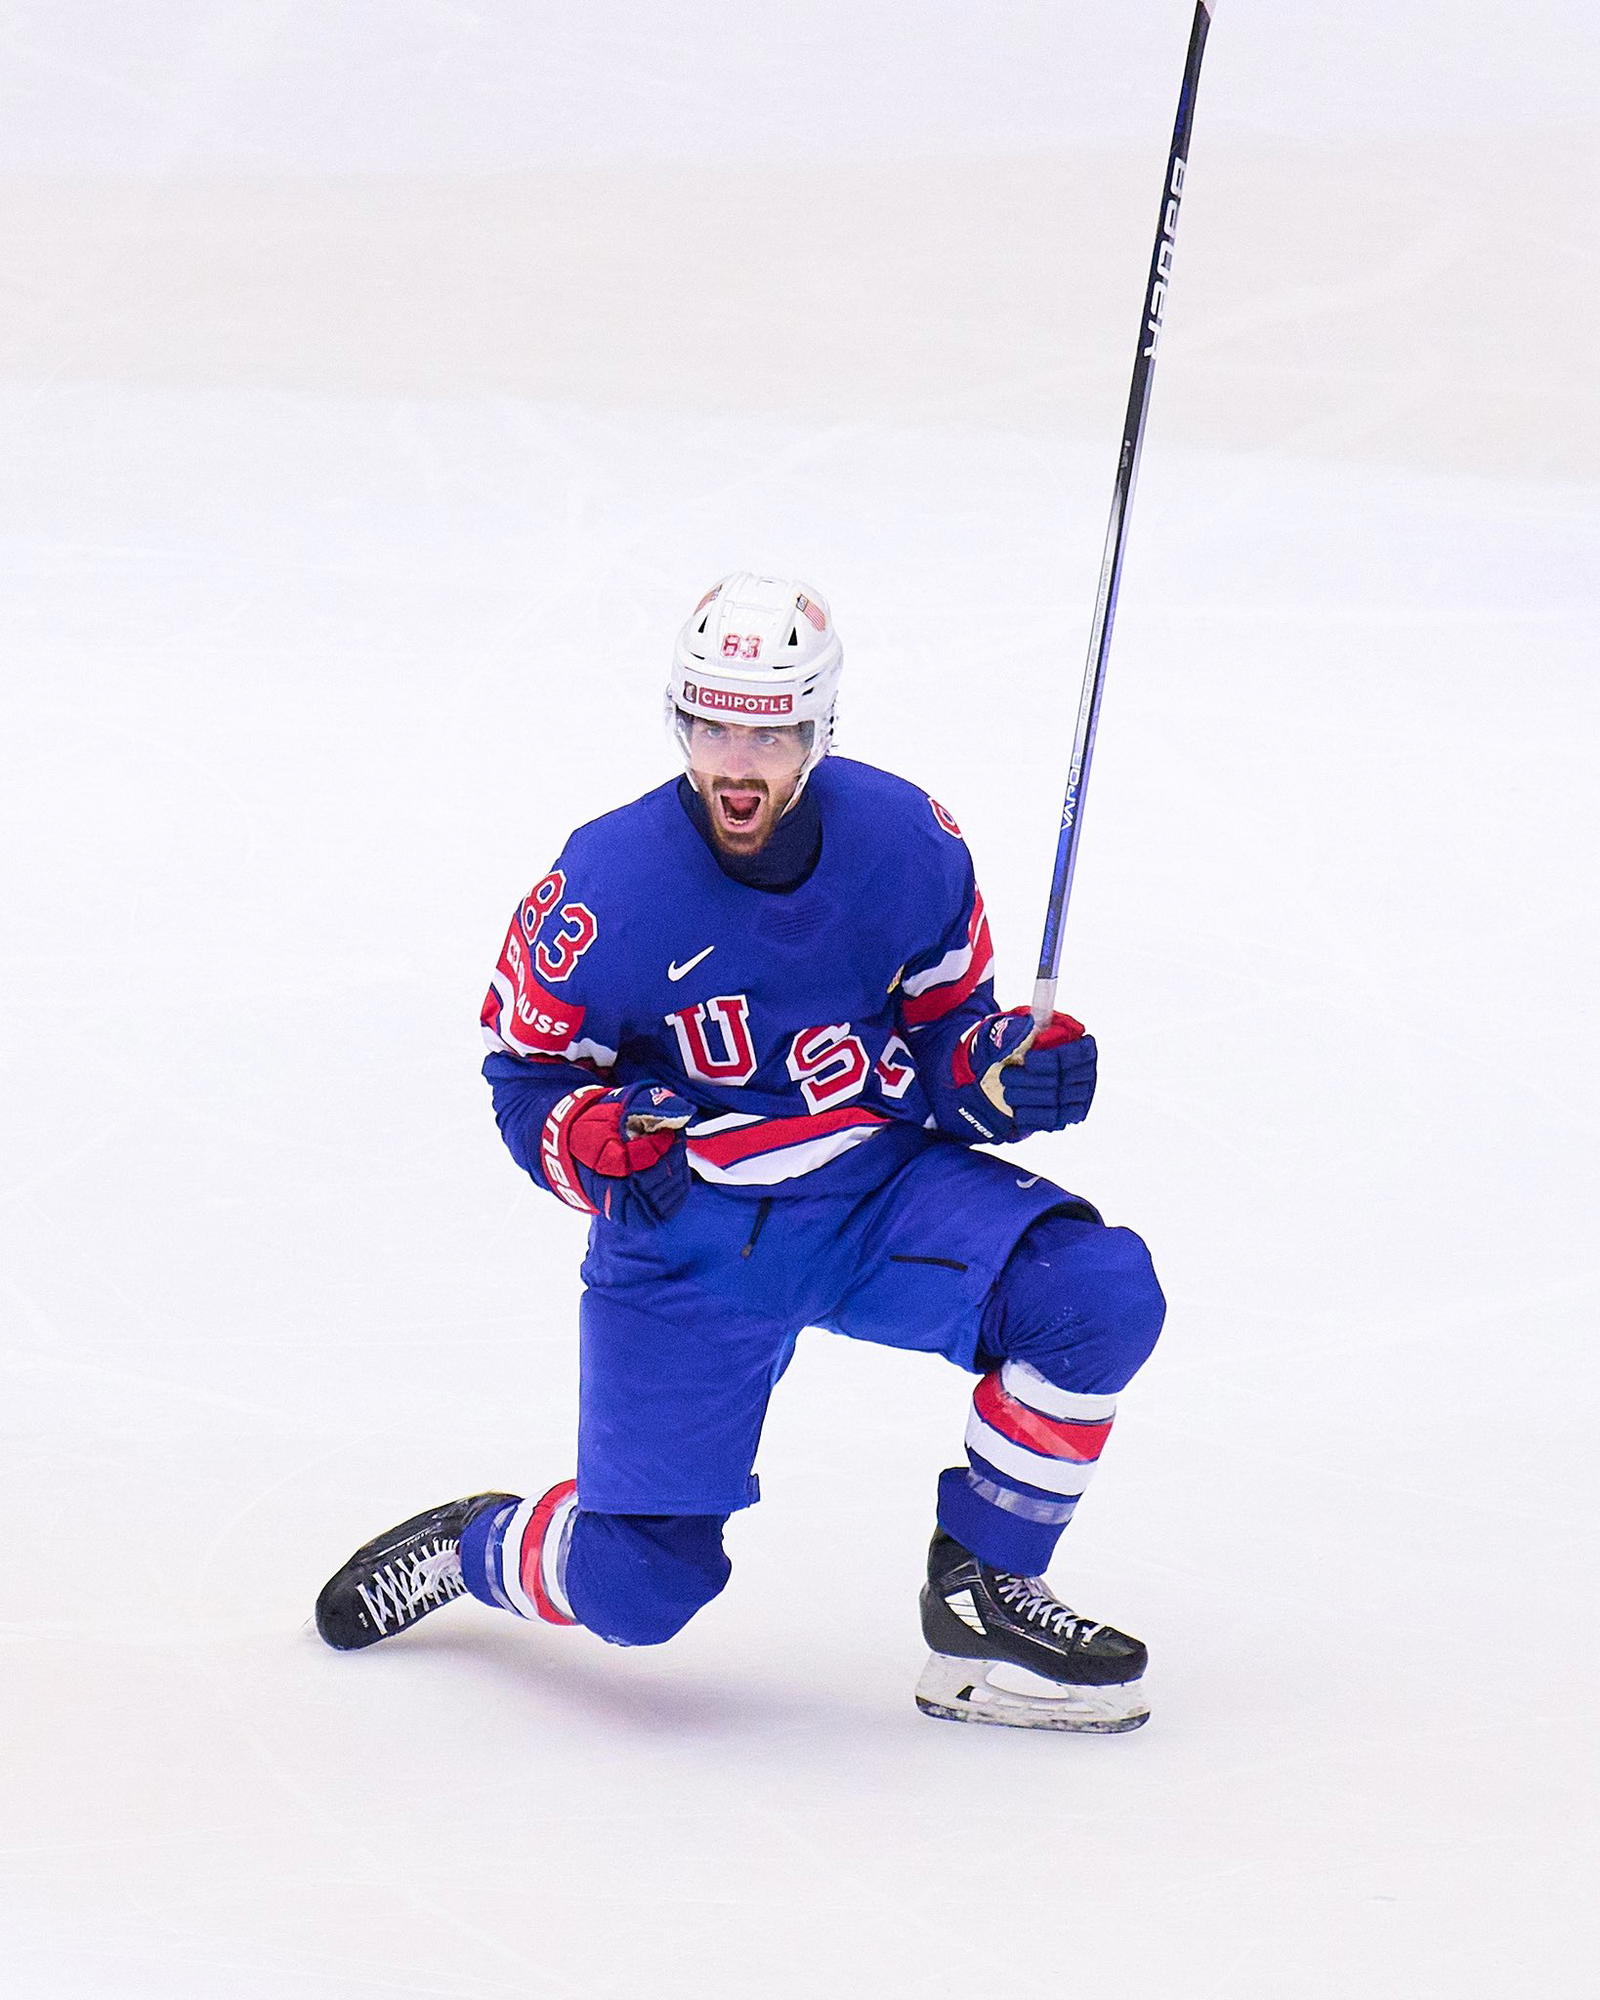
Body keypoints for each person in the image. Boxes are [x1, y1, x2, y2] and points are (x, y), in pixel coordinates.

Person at [314, 572, 1166, 1731]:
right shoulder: (604, 887)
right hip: (692, 1239)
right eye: (713, 723)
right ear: (679, 720)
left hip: (875, 1198)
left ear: (817, 730)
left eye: (768, 730)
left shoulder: (909, 844)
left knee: (1096, 1290)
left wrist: (1006, 1072)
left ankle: (982, 1592)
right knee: (639, 1587)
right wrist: (590, 1143)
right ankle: (483, 1546)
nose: (737, 760)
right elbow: (526, 1075)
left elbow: (945, 1051)